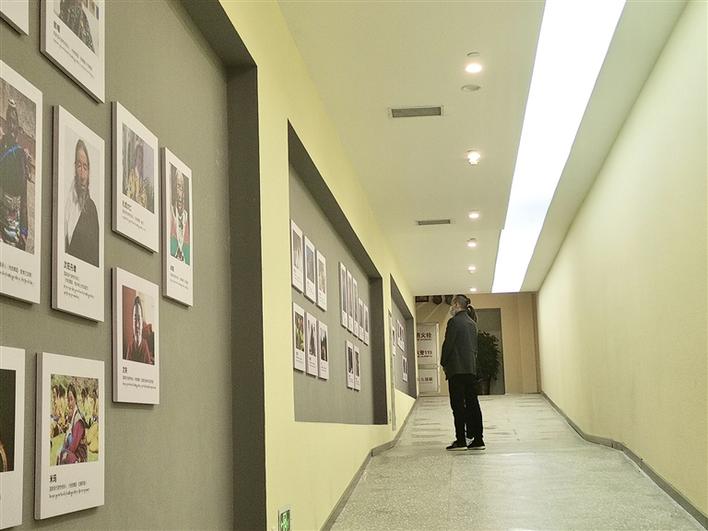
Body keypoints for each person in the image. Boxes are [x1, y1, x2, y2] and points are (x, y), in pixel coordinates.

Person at [440, 294, 485, 451]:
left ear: (457, 305)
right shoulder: (472, 323)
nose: (451, 308)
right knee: (473, 404)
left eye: (452, 305)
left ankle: (461, 440)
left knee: (458, 405)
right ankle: (478, 439)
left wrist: (443, 362)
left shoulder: (454, 322)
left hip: (456, 370)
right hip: (470, 369)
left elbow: (448, 345)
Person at [0, 99, 31, 251]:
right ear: (6, 125)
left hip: (16, 217)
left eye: (14, 122)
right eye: (9, 122)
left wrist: (24, 229)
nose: (12, 127)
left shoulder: (20, 154)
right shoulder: (1, 148)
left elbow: (24, 195)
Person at [64, 139, 99, 267]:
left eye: (86, 167)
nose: (83, 176)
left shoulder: (92, 209)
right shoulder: (65, 202)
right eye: (79, 166)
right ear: (74, 167)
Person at [57, 383, 88, 465]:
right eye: (68, 400)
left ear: (75, 399)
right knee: (60, 452)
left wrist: (64, 452)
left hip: (79, 457)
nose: (69, 403)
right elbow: (66, 442)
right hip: (73, 453)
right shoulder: (71, 418)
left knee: (63, 454)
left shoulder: (78, 420)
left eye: (71, 399)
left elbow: (73, 446)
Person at [169, 168, 190, 264]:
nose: (181, 194)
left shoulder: (185, 216)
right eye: (178, 186)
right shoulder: (171, 212)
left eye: (182, 188)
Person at [125, 296, 153, 364]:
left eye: (139, 319)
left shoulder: (145, 345)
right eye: (135, 319)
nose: (137, 325)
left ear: (142, 321)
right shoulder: (130, 346)